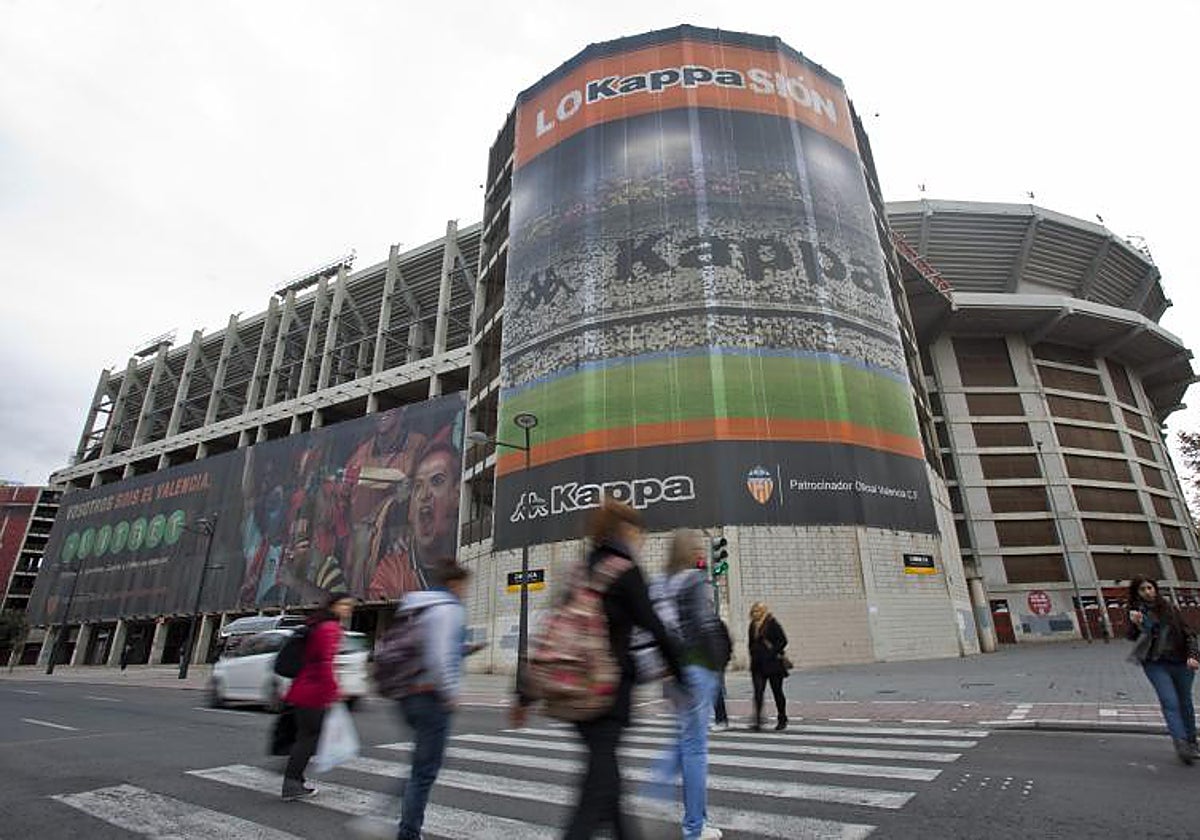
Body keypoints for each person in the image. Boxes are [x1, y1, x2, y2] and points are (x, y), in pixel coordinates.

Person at [511, 497, 686, 840]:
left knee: (608, 781)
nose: (641, 540)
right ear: (626, 530)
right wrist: (683, 674)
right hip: (607, 693)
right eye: (639, 533)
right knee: (598, 790)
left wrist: (524, 695)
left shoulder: (581, 569)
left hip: (572, 689)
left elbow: (551, 633)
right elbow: (655, 627)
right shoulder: (626, 571)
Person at [647, 529, 725, 840]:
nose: (699, 550)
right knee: (695, 748)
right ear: (687, 551)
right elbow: (705, 625)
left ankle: (663, 782)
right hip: (696, 668)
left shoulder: (659, 584)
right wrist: (718, 661)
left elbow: (655, 631)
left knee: (686, 740)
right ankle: (694, 827)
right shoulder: (693, 580)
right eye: (695, 545)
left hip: (671, 673)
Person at [393, 557, 471, 840]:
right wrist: (451, 693)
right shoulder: (449, 609)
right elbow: (439, 656)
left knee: (420, 765)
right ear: (454, 583)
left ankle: (403, 820)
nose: (465, 592)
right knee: (425, 770)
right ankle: (408, 833)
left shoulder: (418, 605)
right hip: (430, 697)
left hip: (406, 694)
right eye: (464, 586)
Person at [281, 592, 355, 800]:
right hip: (313, 691)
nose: (348, 609)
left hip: (304, 687)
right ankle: (292, 782)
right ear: (333, 606)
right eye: (344, 605)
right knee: (308, 739)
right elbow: (325, 663)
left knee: (307, 737)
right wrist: (334, 691)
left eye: (350, 605)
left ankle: (295, 778)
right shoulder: (330, 628)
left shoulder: (319, 625)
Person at [368, 442, 462, 600]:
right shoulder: (392, 571)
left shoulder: (465, 562)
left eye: (437, 481)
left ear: (457, 495)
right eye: (418, 486)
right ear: (410, 510)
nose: (424, 495)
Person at [1126, 576, 1200, 764]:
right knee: (1169, 701)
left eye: (1150, 588)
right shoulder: (1136, 613)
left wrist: (1193, 655)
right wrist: (1136, 624)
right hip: (1155, 664)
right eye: (1142, 589)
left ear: (1156, 589)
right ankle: (1180, 742)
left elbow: (1189, 633)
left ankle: (1192, 741)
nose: (1147, 592)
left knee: (1185, 702)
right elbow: (1132, 637)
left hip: (1181, 662)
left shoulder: (1170, 609)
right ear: (1137, 593)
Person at [748, 602, 789, 731]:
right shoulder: (752, 626)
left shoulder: (772, 623)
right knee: (758, 693)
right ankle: (758, 721)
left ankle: (782, 718)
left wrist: (771, 653)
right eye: (754, 611)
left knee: (777, 692)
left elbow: (783, 640)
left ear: (763, 611)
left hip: (773, 665)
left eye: (758, 611)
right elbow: (751, 643)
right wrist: (753, 653)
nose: (755, 613)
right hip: (758, 666)